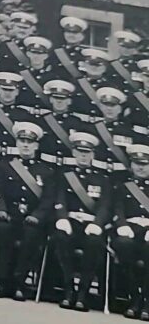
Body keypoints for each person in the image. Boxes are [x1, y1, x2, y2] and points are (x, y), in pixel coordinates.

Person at [0, 122, 56, 300]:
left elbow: (48, 200)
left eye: (29, 142)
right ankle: (2, 281)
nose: (25, 145)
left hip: (31, 219)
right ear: (16, 143)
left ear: (36, 145)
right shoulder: (5, 166)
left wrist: (37, 216)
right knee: (1, 230)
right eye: (22, 140)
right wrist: (0, 209)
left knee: (31, 235)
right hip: (9, 215)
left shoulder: (46, 171)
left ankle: (19, 282)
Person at [53, 132, 112, 312]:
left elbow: (105, 205)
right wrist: (62, 217)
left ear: (93, 155)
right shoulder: (65, 176)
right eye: (80, 152)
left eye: (87, 153)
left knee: (94, 243)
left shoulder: (103, 179)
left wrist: (98, 223)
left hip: (90, 225)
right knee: (60, 237)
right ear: (74, 153)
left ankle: (83, 294)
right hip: (69, 223)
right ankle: (68, 289)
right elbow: (59, 199)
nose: (83, 156)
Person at [112, 144, 149, 321]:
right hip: (129, 228)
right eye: (137, 163)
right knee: (124, 245)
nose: (140, 167)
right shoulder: (123, 185)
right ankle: (134, 298)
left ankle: (146, 302)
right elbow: (117, 208)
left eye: (145, 164)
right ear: (131, 165)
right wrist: (121, 224)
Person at [39, 80, 95, 168]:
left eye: (62, 98)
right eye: (56, 98)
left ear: (69, 101)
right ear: (51, 99)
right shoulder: (42, 121)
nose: (59, 101)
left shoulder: (77, 123)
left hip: (69, 167)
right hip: (45, 164)